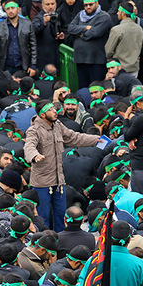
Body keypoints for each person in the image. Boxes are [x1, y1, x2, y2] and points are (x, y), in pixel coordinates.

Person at [24, 99, 100, 232]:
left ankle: (60, 240)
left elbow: (73, 137)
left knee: (61, 215)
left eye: (54, 108)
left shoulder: (58, 125)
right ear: (42, 115)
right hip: (42, 183)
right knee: (43, 217)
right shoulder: (34, 130)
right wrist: (35, 156)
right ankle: (44, 241)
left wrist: (94, 139)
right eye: (50, 109)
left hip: (59, 181)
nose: (55, 111)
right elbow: (29, 146)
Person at [68, 0, 113, 89]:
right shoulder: (80, 14)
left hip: (96, 60)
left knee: (96, 89)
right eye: (85, 5)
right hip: (81, 59)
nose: (88, 7)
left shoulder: (104, 16)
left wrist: (79, 33)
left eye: (90, 5)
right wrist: (86, 28)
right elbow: (70, 28)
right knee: (83, 88)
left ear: (97, 3)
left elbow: (94, 33)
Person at [0, 0, 37, 78]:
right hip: (5, 65)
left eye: (13, 8)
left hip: (23, 65)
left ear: (18, 9)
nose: (10, 11)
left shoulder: (27, 24)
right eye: (8, 9)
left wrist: (33, 65)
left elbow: (33, 46)